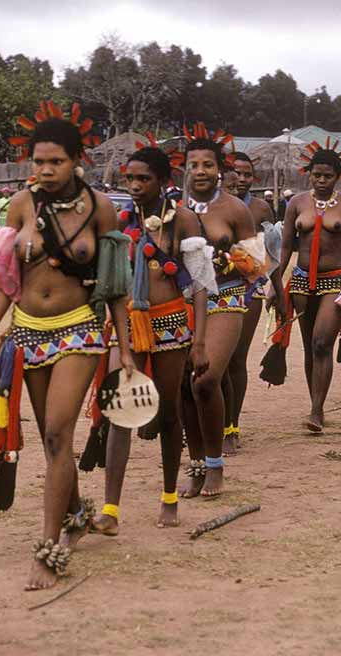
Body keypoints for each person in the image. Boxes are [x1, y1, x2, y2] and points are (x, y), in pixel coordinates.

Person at [0, 100, 132, 591]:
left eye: (55, 161)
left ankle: (49, 544)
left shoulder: (101, 207)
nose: (45, 170)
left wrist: (125, 347)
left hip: (79, 328)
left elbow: (116, 285)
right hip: (25, 332)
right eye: (38, 161)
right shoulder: (20, 204)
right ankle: (77, 512)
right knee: (49, 439)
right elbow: (4, 279)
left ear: (76, 159)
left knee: (60, 430)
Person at [88, 142, 207, 534]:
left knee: (170, 412)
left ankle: (170, 497)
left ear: (164, 181)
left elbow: (201, 284)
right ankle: (110, 509)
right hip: (126, 326)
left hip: (171, 322)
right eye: (130, 179)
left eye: (144, 179)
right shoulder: (120, 221)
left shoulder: (184, 220)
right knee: (120, 412)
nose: (136, 185)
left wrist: (201, 341)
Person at [177, 126, 260, 497]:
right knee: (182, 387)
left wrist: (225, 260)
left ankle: (215, 466)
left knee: (206, 378)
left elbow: (257, 265)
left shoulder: (235, 209)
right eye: (192, 164)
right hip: (179, 302)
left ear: (219, 169)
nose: (199, 171)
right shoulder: (171, 209)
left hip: (225, 298)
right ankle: (195, 464)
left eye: (207, 164)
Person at [270, 141, 341, 428]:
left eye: (328, 176)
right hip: (301, 282)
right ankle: (316, 402)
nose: (322, 181)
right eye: (317, 175)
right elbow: (286, 246)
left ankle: (316, 410)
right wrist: (274, 282)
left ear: (339, 176)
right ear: (309, 174)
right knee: (310, 346)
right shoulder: (296, 203)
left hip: (337, 279)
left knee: (322, 341)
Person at [223, 151, 275, 451]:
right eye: (236, 173)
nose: (241, 180)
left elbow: (272, 252)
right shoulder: (205, 207)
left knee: (235, 358)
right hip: (212, 287)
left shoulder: (260, 208)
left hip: (249, 286)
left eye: (246, 174)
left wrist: (275, 288)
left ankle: (232, 426)